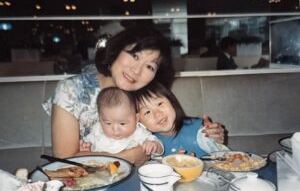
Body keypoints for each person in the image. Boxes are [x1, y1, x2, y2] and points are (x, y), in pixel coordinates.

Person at [43, 26, 224, 165]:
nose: (137, 71)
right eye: (135, 56)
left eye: (150, 66)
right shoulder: (71, 90)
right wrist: (129, 157)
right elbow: (64, 159)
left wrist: (208, 133)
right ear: (116, 50)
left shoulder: (143, 96)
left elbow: (172, 127)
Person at [134, 82, 228, 157]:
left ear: (171, 101)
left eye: (159, 104)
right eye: (147, 112)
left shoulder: (198, 129)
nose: (157, 114)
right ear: (139, 122)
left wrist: (213, 134)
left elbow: (221, 152)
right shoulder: (150, 144)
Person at [83, 87, 163, 156]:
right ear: (100, 119)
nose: (115, 129)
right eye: (108, 123)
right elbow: (87, 145)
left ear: (136, 118)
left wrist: (154, 145)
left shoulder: (138, 132)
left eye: (122, 123)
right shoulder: (97, 132)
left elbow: (159, 149)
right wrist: (86, 148)